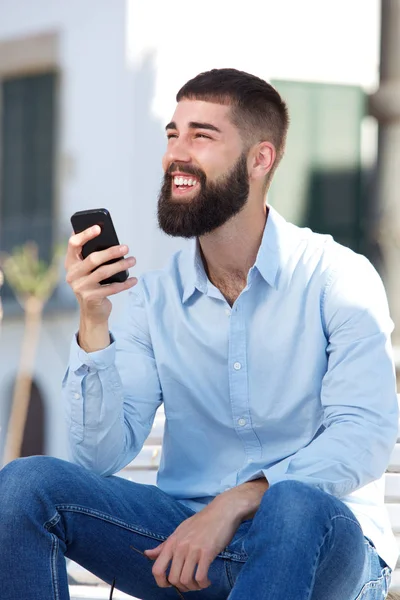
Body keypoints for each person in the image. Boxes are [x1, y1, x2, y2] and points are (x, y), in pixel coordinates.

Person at [0, 68, 398, 600]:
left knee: (293, 503)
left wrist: (235, 502)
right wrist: (94, 323)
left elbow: (363, 436)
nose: (175, 154)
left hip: (326, 552)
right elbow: (100, 457)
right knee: (25, 487)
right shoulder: (151, 300)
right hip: (186, 553)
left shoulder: (337, 278)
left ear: (261, 159)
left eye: (201, 136)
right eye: (172, 134)